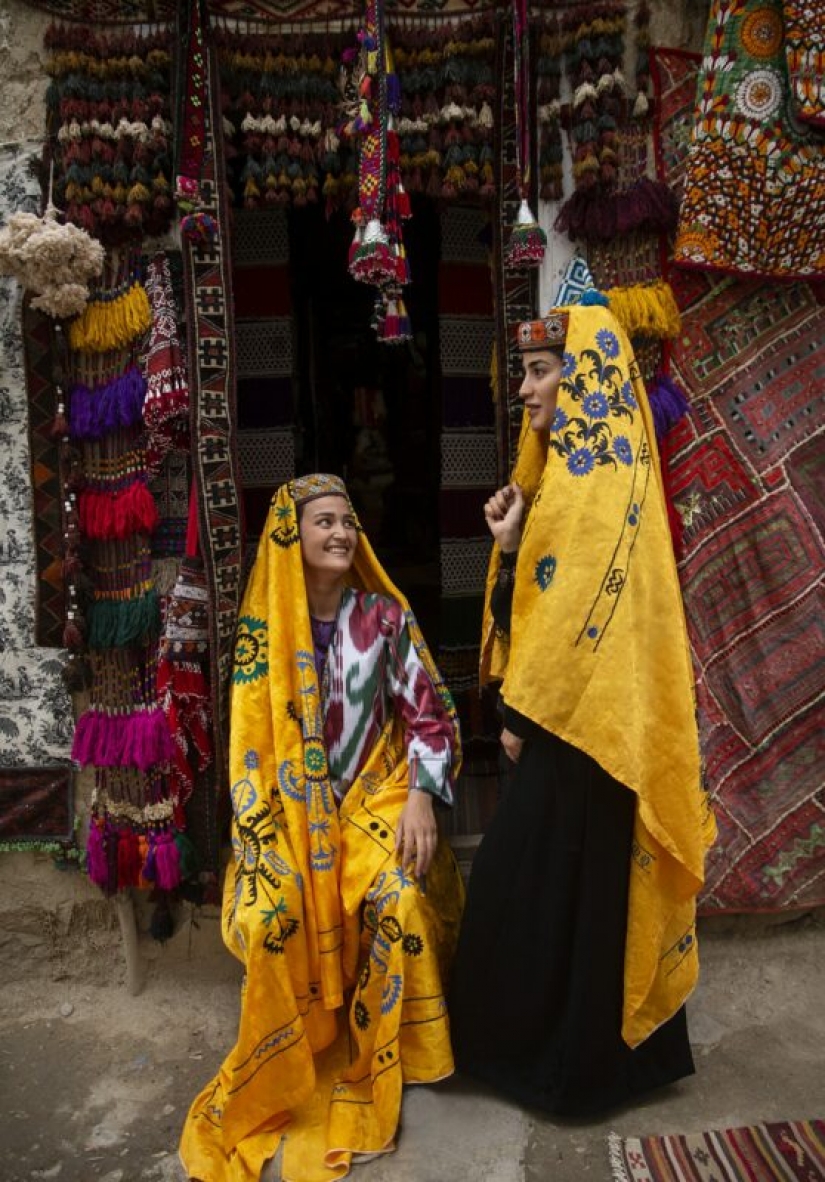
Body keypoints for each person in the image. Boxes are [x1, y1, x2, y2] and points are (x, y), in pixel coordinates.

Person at [449, 303, 716, 1117]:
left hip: (585, 731)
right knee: (566, 895)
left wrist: (519, 720)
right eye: (524, 372)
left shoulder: (596, 484)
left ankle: (571, 1074)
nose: (524, 390)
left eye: (540, 371)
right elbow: (538, 596)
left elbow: (569, 621)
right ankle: (585, 1066)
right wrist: (508, 545)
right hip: (579, 723)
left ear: (583, 378)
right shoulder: (567, 475)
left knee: (551, 891)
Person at [180, 473, 464, 1182]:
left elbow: (431, 719)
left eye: (348, 522)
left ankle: (398, 1057)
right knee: (273, 914)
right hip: (285, 823)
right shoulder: (264, 637)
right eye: (324, 523)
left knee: (395, 899)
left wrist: (422, 799)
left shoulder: (383, 620)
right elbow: (249, 756)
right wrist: (269, 838)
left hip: (375, 800)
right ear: (291, 538)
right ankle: (292, 1053)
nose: (340, 534)